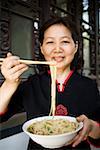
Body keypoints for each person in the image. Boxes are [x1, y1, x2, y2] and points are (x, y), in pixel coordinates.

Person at [0, 17, 100, 150]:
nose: (57, 49)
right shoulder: (32, 84)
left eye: (64, 41)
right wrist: (9, 83)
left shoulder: (89, 86)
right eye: (50, 42)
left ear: (75, 47)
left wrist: (92, 127)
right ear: (41, 48)